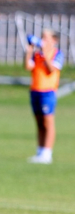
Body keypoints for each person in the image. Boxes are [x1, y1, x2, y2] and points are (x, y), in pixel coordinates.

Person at [24, 30, 63, 164]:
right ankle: (40, 152)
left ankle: (47, 153)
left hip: (48, 92)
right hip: (35, 90)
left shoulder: (57, 54)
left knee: (48, 122)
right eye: (42, 37)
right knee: (39, 122)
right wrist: (29, 50)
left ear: (54, 40)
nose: (42, 40)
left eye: (45, 37)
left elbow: (50, 69)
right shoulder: (37, 54)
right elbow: (28, 66)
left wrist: (45, 52)